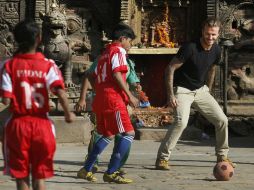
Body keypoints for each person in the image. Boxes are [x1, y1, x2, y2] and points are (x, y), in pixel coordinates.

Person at [0, 20, 75, 190]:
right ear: (39, 39)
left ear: (16, 40)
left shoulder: (8, 66)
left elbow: (6, 100)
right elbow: (61, 92)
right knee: (40, 176)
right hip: (42, 126)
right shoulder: (49, 65)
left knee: (21, 177)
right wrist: (68, 114)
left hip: (18, 126)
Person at [155, 17, 236, 170]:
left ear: (218, 34)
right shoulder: (190, 47)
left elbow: (212, 68)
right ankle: (162, 159)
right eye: (207, 34)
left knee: (222, 120)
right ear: (202, 31)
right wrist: (170, 95)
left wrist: (208, 89)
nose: (210, 38)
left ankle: (222, 156)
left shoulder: (217, 50)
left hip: (200, 90)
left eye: (213, 35)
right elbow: (170, 69)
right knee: (181, 122)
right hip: (183, 90)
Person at [76, 22, 139, 184]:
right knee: (128, 133)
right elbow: (117, 75)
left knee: (108, 134)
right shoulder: (118, 51)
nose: (130, 45)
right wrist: (130, 96)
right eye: (130, 41)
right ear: (123, 39)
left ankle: (86, 169)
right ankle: (112, 171)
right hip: (114, 100)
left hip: (100, 99)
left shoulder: (104, 54)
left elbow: (91, 75)